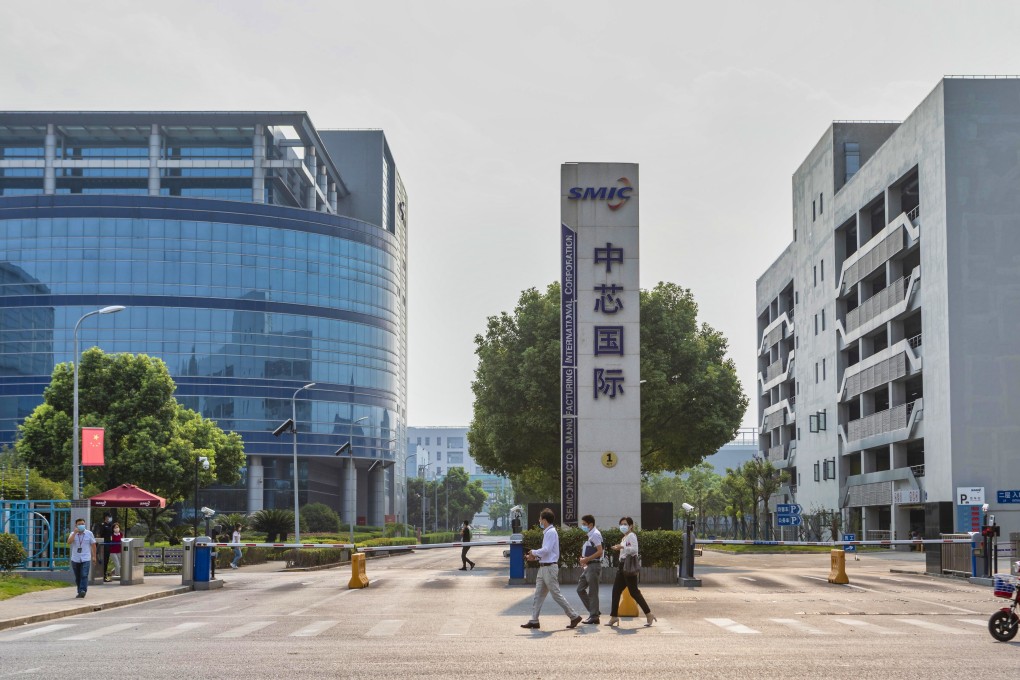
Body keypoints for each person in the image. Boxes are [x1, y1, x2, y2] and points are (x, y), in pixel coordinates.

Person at [520, 508, 582, 630]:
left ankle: (574, 616)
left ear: (544, 520)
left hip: (549, 568)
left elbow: (547, 550)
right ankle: (534, 620)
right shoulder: (548, 532)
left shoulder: (551, 532)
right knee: (538, 595)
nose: (539, 521)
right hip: (544, 567)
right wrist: (535, 558)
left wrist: (533, 552)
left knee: (555, 594)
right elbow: (547, 553)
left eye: (540, 518)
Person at [607, 516, 656, 627]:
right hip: (622, 566)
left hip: (628, 566)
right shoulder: (624, 538)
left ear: (631, 526)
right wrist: (620, 547)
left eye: (625, 524)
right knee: (616, 591)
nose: (623, 526)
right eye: (621, 524)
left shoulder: (631, 536)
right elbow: (626, 549)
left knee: (634, 592)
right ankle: (614, 616)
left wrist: (622, 547)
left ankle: (649, 614)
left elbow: (634, 550)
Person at [576, 514, 603, 624]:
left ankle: (594, 616)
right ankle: (594, 611)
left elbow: (600, 551)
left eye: (584, 524)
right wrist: (584, 559)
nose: (583, 526)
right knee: (580, 589)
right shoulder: (591, 534)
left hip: (593, 566)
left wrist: (586, 559)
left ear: (591, 524)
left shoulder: (595, 535)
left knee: (592, 592)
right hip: (589, 566)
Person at [67, 518, 97, 598]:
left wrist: (94, 556)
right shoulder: (73, 533)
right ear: (76, 525)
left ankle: (83, 590)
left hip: (86, 558)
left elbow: (93, 545)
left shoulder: (89, 533)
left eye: (83, 524)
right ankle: (79, 591)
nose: (81, 525)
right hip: (75, 558)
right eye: (79, 524)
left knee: (84, 574)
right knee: (78, 576)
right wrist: (75, 533)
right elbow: (69, 542)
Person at [98, 513, 114, 581]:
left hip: (109, 544)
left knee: (107, 560)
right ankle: (102, 575)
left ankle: (104, 575)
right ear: (105, 517)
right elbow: (100, 534)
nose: (109, 518)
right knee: (104, 560)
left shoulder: (110, 525)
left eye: (110, 517)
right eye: (108, 517)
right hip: (104, 544)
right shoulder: (103, 525)